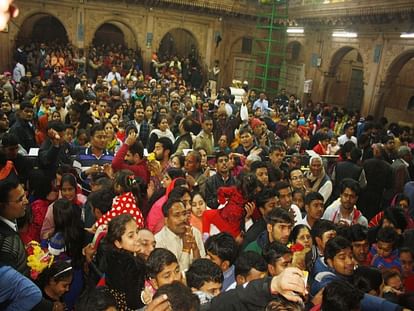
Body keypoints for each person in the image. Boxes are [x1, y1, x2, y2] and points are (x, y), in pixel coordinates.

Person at [100, 214, 146, 310]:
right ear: (118, 243)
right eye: (131, 236)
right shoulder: (131, 264)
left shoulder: (110, 255)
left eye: (137, 232)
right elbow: (134, 301)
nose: (137, 237)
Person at [155, 198, 205, 271]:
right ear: (166, 220)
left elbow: (203, 268)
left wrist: (195, 250)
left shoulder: (194, 232)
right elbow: (175, 276)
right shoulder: (159, 241)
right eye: (177, 215)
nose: (183, 218)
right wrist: (186, 249)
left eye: (184, 214)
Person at [0, 178, 30, 276]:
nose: (26, 201)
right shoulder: (6, 243)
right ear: (3, 206)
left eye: (24, 195)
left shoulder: (12, 220)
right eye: (20, 199)